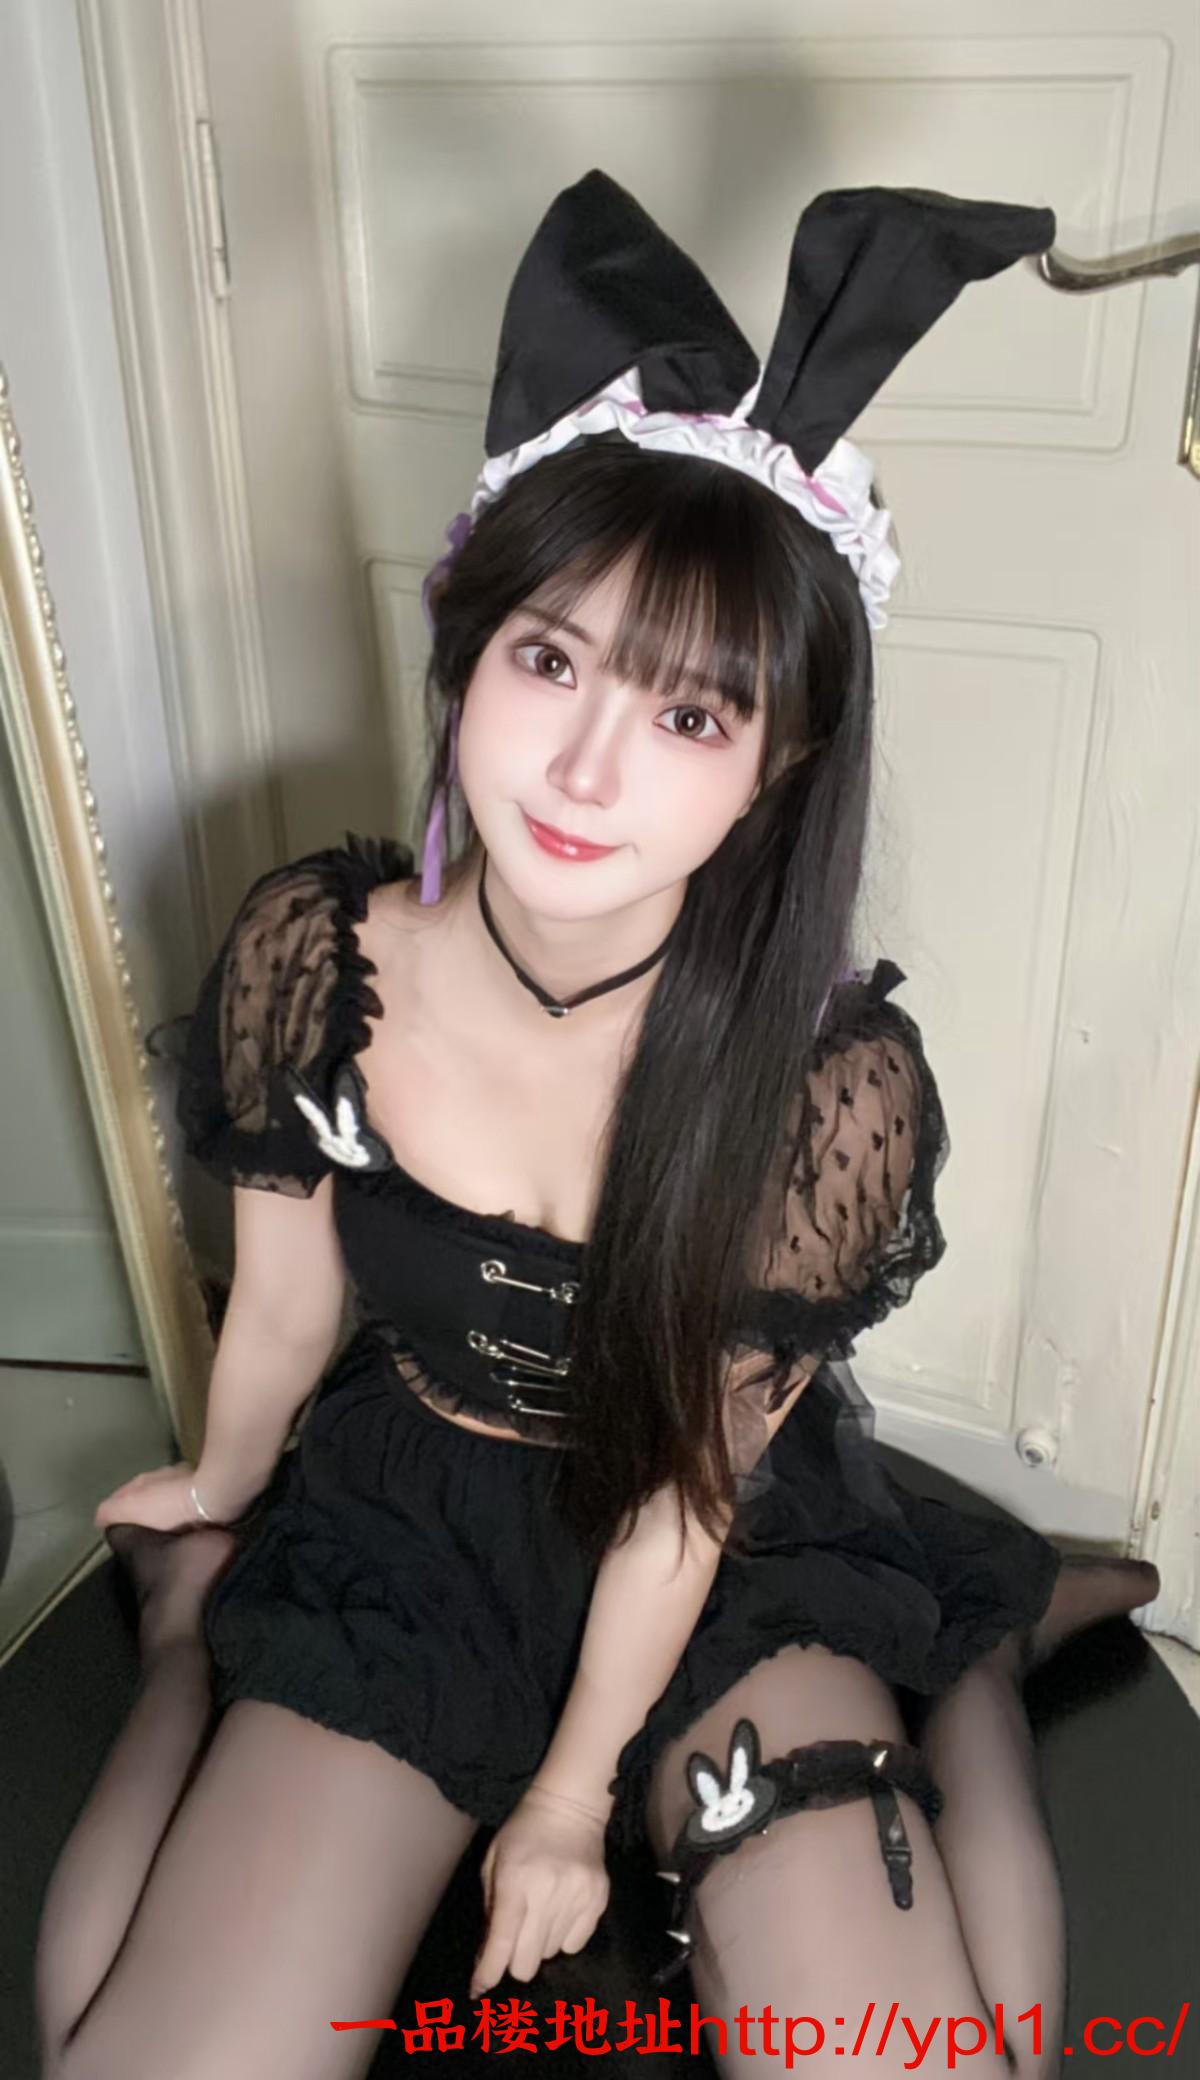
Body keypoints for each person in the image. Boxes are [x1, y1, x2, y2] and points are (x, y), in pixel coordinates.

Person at [34, 173, 1158, 2080]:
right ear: (467, 644)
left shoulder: (826, 1091)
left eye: (691, 718)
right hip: (418, 1523)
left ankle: (963, 1643)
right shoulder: (316, 951)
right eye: (549, 661)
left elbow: (687, 1500)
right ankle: (184, 1628)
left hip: (718, 1552)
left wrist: (566, 1802)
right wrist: (220, 1488)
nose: (583, 767)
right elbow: (289, 1307)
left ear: (778, 769)